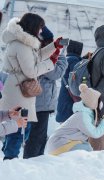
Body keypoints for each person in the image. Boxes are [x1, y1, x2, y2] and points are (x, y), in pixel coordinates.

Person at [0, 13, 60, 160]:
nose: (41, 31)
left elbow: (36, 57)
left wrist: (54, 47)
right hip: (18, 90)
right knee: (18, 129)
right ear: (33, 27)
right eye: (40, 28)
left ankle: (9, 157)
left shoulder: (24, 43)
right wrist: (51, 63)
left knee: (20, 128)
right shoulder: (21, 45)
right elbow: (31, 70)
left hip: (19, 88)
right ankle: (10, 160)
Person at [24, 26, 68, 159]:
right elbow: (56, 73)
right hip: (39, 102)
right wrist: (61, 56)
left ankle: (33, 163)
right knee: (36, 138)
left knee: (37, 137)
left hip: (38, 101)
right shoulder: (41, 55)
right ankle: (31, 164)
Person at [46, 84, 104, 155]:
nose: (101, 103)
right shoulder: (83, 116)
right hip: (58, 144)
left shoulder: (85, 114)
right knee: (87, 150)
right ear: (93, 103)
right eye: (99, 101)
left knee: (86, 146)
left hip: (61, 142)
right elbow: (95, 133)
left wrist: (102, 120)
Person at [56, 40, 83, 123]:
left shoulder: (66, 59)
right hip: (70, 97)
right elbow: (75, 78)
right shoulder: (75, 61)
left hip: (64, 94)